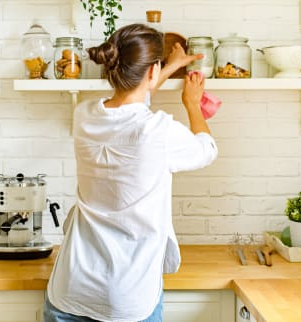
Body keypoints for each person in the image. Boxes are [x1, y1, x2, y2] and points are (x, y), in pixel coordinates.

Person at [44, 23, 218, 322]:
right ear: (151, 71)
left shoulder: (84, 115)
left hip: (69, 290)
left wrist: (164, 68)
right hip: (127, 299)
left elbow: (130, 104)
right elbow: (207, 149)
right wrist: (192, 105)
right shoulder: (160, 131)